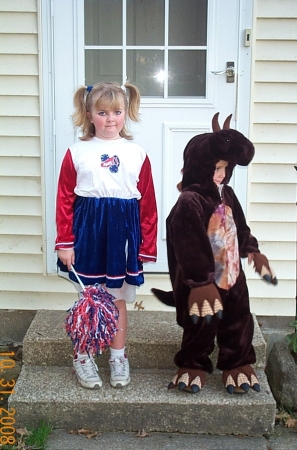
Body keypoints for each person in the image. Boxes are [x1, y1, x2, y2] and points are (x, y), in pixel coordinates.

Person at [152, 113, 277, 395]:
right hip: (203, 283)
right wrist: (199, 282)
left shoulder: (227, 194)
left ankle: (237, 365)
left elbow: (240, 228)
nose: (221, 174)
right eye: (216, 168)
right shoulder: (190, 201)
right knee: (201, 322)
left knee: (238, 320)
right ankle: (193, 364)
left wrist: (253, 251)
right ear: (199, 166)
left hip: (232, 273)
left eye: (226, 168)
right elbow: (187, 244)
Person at [55, 81, 158, 390]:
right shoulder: (77, 152)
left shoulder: (137, 153)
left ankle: (117, 356)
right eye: (102, 112)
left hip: (122, 237)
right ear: (89, 114)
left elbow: (148, 203)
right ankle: (83, 357)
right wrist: (65, 242)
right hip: (87, 234)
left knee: (118, 302)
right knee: (89, 300)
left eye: (117, 112)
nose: (110, 119)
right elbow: (64, 200)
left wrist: (147, 245)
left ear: (127, 112)